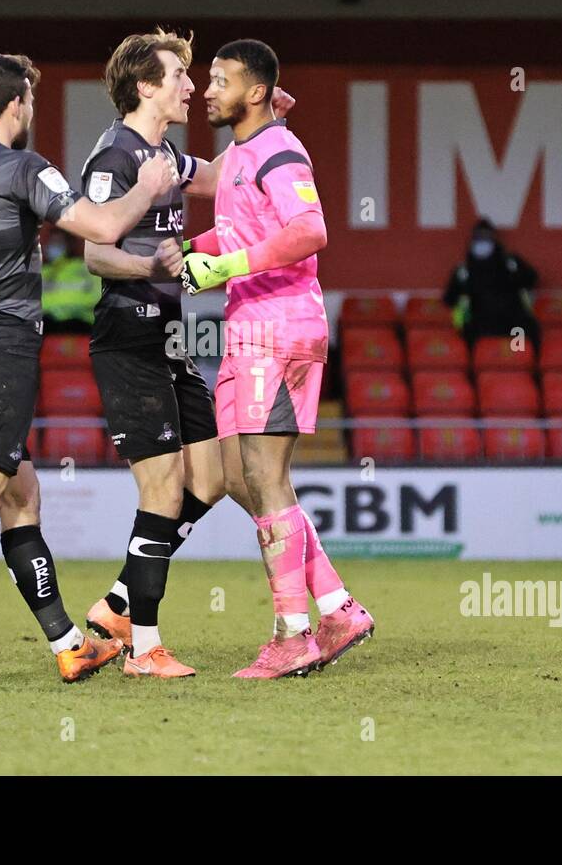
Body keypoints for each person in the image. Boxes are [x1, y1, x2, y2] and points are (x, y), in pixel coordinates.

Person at [0, 51, 177, 686]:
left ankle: (70, 644)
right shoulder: (23, 168)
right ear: (14, 104)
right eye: (29, 99)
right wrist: (148, 190)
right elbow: (100, 225)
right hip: (0, 352)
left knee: (21, 496)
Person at [79, 28, 295, 678]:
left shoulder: (166, 153)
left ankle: (119, 602)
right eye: (177, 75)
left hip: (172, 339)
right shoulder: (113, 157)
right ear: (145, 86)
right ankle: (143, 649)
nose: (191, 84)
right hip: (129, 340)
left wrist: (263, 121)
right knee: (165, 492)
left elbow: (225, 173)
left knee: (213, 478)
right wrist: (150, 260)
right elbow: (93, 251)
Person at [179, 39, 374, 679]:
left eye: (220, 79)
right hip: (246, 328)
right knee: (238, 477)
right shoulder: (236, 157)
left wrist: (226, 266)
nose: (207, 89)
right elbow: (239, 235)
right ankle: (338, 608)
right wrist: (177, 253)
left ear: (255, 90)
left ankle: (294, 634)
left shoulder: (278, 150)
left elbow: (309, 230)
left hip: (279, 328)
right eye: (206, 78)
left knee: (265, 479)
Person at [442, 217, 540, 351]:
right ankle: (478, 368)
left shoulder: (511, 263)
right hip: (481, 326)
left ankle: (520, 364)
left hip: (514, 324)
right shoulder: (464, 271)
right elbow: (449, 299)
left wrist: (517, 273)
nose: (483, 241)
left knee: (521, 345)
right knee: (469, 340)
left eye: (486, 237)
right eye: (479, 237)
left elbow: (531, 280)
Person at [40, 227, 99, 333]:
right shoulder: (42, 272)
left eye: (59, 242)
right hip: (48, 329)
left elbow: (98, 298)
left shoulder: (85, 269)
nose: (54, 246)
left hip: (82, 328)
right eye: (52, 241)